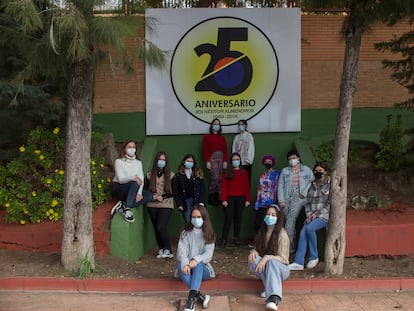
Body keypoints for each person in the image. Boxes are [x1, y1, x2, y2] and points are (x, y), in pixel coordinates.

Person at [289, 162, 331, 270]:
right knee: (303, 232)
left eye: (320, 171)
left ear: (325, 172)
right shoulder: (311, 185)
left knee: (309, 228)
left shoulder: (330, 184)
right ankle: (298, 262)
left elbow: (329, 203)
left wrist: (316, 214)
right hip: (311, 215)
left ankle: (314, 257)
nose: (318, 173)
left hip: (324, 215)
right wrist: (309, 214)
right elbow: (307, 202)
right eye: (316, 171)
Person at [248, 204, 290, 311]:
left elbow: (284, 259)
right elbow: (257, 249)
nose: (270, 217)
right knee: (252, 261)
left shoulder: (282, 234)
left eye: (273, 215)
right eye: (268, 214)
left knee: (271, 262)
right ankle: (269, 287)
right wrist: (253, 252)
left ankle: (273, 298)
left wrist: (267, 258)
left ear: (278, 217)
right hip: (267, 266)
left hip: (281, 269)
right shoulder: (262, 232)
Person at [177, 205, 216, 311]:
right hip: (188, 269)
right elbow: (182, 251)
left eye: (199, 217)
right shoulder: (185, 233)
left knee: (198, 263)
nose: (196, 219)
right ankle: (199, 297)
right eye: (193, 217)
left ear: (204, 218)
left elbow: (208, 254)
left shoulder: (209, 235)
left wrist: (195, 260)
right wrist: (186, 264)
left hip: (203, 270)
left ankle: (190, 300)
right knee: (180, 265)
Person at [277, 150, 313, 255]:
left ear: (298, 158)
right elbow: (280, 186)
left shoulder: (306, 170)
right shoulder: (285, 171)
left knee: (290, 222)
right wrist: (281, 200)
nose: (292, 161)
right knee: (289, 222)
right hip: (287, 197)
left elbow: (312, 182)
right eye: (290, 159)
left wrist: (304, 193)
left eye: (293, 158)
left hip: (300, 197)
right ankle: (292, 246)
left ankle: (288, 248)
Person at [111, 140, 153, 223]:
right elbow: (121, 179)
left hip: (133, 190)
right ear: (124, 149)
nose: (132, 149)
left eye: (133, 147)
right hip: (120, 188)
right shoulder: (119, 161)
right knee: (135, 182)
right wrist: (133, 177)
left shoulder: (138, 163)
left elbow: (141, 179)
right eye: (129, 147)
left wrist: (139, 193)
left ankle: (123, 206)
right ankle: (127, 210)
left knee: (149, 196)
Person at [146, 151, 175, 259]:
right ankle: (161, 248)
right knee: (156, 228)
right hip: (152, 205)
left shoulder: (171, 175)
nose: (161, 162)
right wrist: (153, 196)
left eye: (163, 160)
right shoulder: (149, 175)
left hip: (166, 205)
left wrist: (163, 197)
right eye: (160, 159)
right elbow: (145, 190)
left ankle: (168, 249)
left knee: (161, 226)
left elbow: (173, 192)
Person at [220, 152, 251, 247]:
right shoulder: (226, 173)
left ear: (240, 161)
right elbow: (223, 187)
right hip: (229, 199)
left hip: (241, 199)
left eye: (237, 159)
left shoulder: (244, 172)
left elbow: (247, 186)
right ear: (231, 161)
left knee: (238, 219)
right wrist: (224, 199)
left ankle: (236, 238)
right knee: (228, 219)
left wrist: (247, 200)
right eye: (234, 160)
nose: (235, 161)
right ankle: (224, 239)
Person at [173, 154, 207, 223]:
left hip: (197, 201)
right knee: (188, 221)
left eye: (191, 161)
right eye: (188, 161)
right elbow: (175, 191)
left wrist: (201, 202)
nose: (189, 163)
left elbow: (202, 189)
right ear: (184, 162)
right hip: (185, 201)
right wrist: (179, 204)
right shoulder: (178, 175)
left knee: (198, 221)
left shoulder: (198, 174)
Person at [202, 118, 228, 206]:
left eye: (218, 124)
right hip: (212, 158)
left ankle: (218, 197)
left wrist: (225, 161)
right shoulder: (207, 137)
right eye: (215, 124)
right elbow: (204, 150)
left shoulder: (222, 137)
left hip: (221, 157)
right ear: (212, 125)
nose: (216, 125)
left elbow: (225, 149)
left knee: (221, 178)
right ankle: (211, 194)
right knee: (216, 177)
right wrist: (207, 161)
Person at [254, 154, 280, 233]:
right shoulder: (262, 175)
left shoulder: (277, 174)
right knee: (258, 223)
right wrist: (257, 202)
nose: (267, 163)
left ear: (273, 163)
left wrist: (277, 201)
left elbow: (278, 188)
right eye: (266, 162)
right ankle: (259, 240)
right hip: (262, 203)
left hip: (272, 203)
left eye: (269, 161)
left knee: (270, 223)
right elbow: (259, 188)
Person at [232, 119, 255, 184]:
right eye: (239, 125)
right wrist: (234, 160)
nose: (240, 126)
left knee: (246, 182)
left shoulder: (249, 136)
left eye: (242, 124)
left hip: (246, 163)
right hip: (237, 164)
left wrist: (249, 160)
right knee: (237, 181)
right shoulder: (236, 137)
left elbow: (251, 148)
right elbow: (234, 149)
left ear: (246, 126)